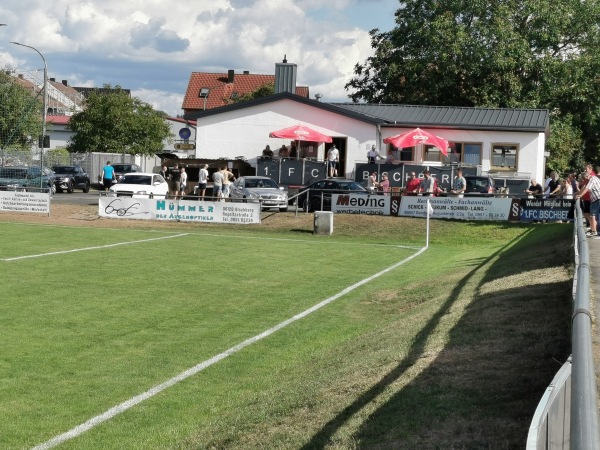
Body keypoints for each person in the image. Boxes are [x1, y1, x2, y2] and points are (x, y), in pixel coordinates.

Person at [575, 171, 600, 238]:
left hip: (598, 199)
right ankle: (594, 230)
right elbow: (585, 187)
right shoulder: (591, 179)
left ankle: (598, 232)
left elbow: (587, 188)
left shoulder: (592, 179)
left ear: (586, 177)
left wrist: (580, 195)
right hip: (594, 200)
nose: (584, 180)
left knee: (598, 217)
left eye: (584, 179)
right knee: (592, 214)